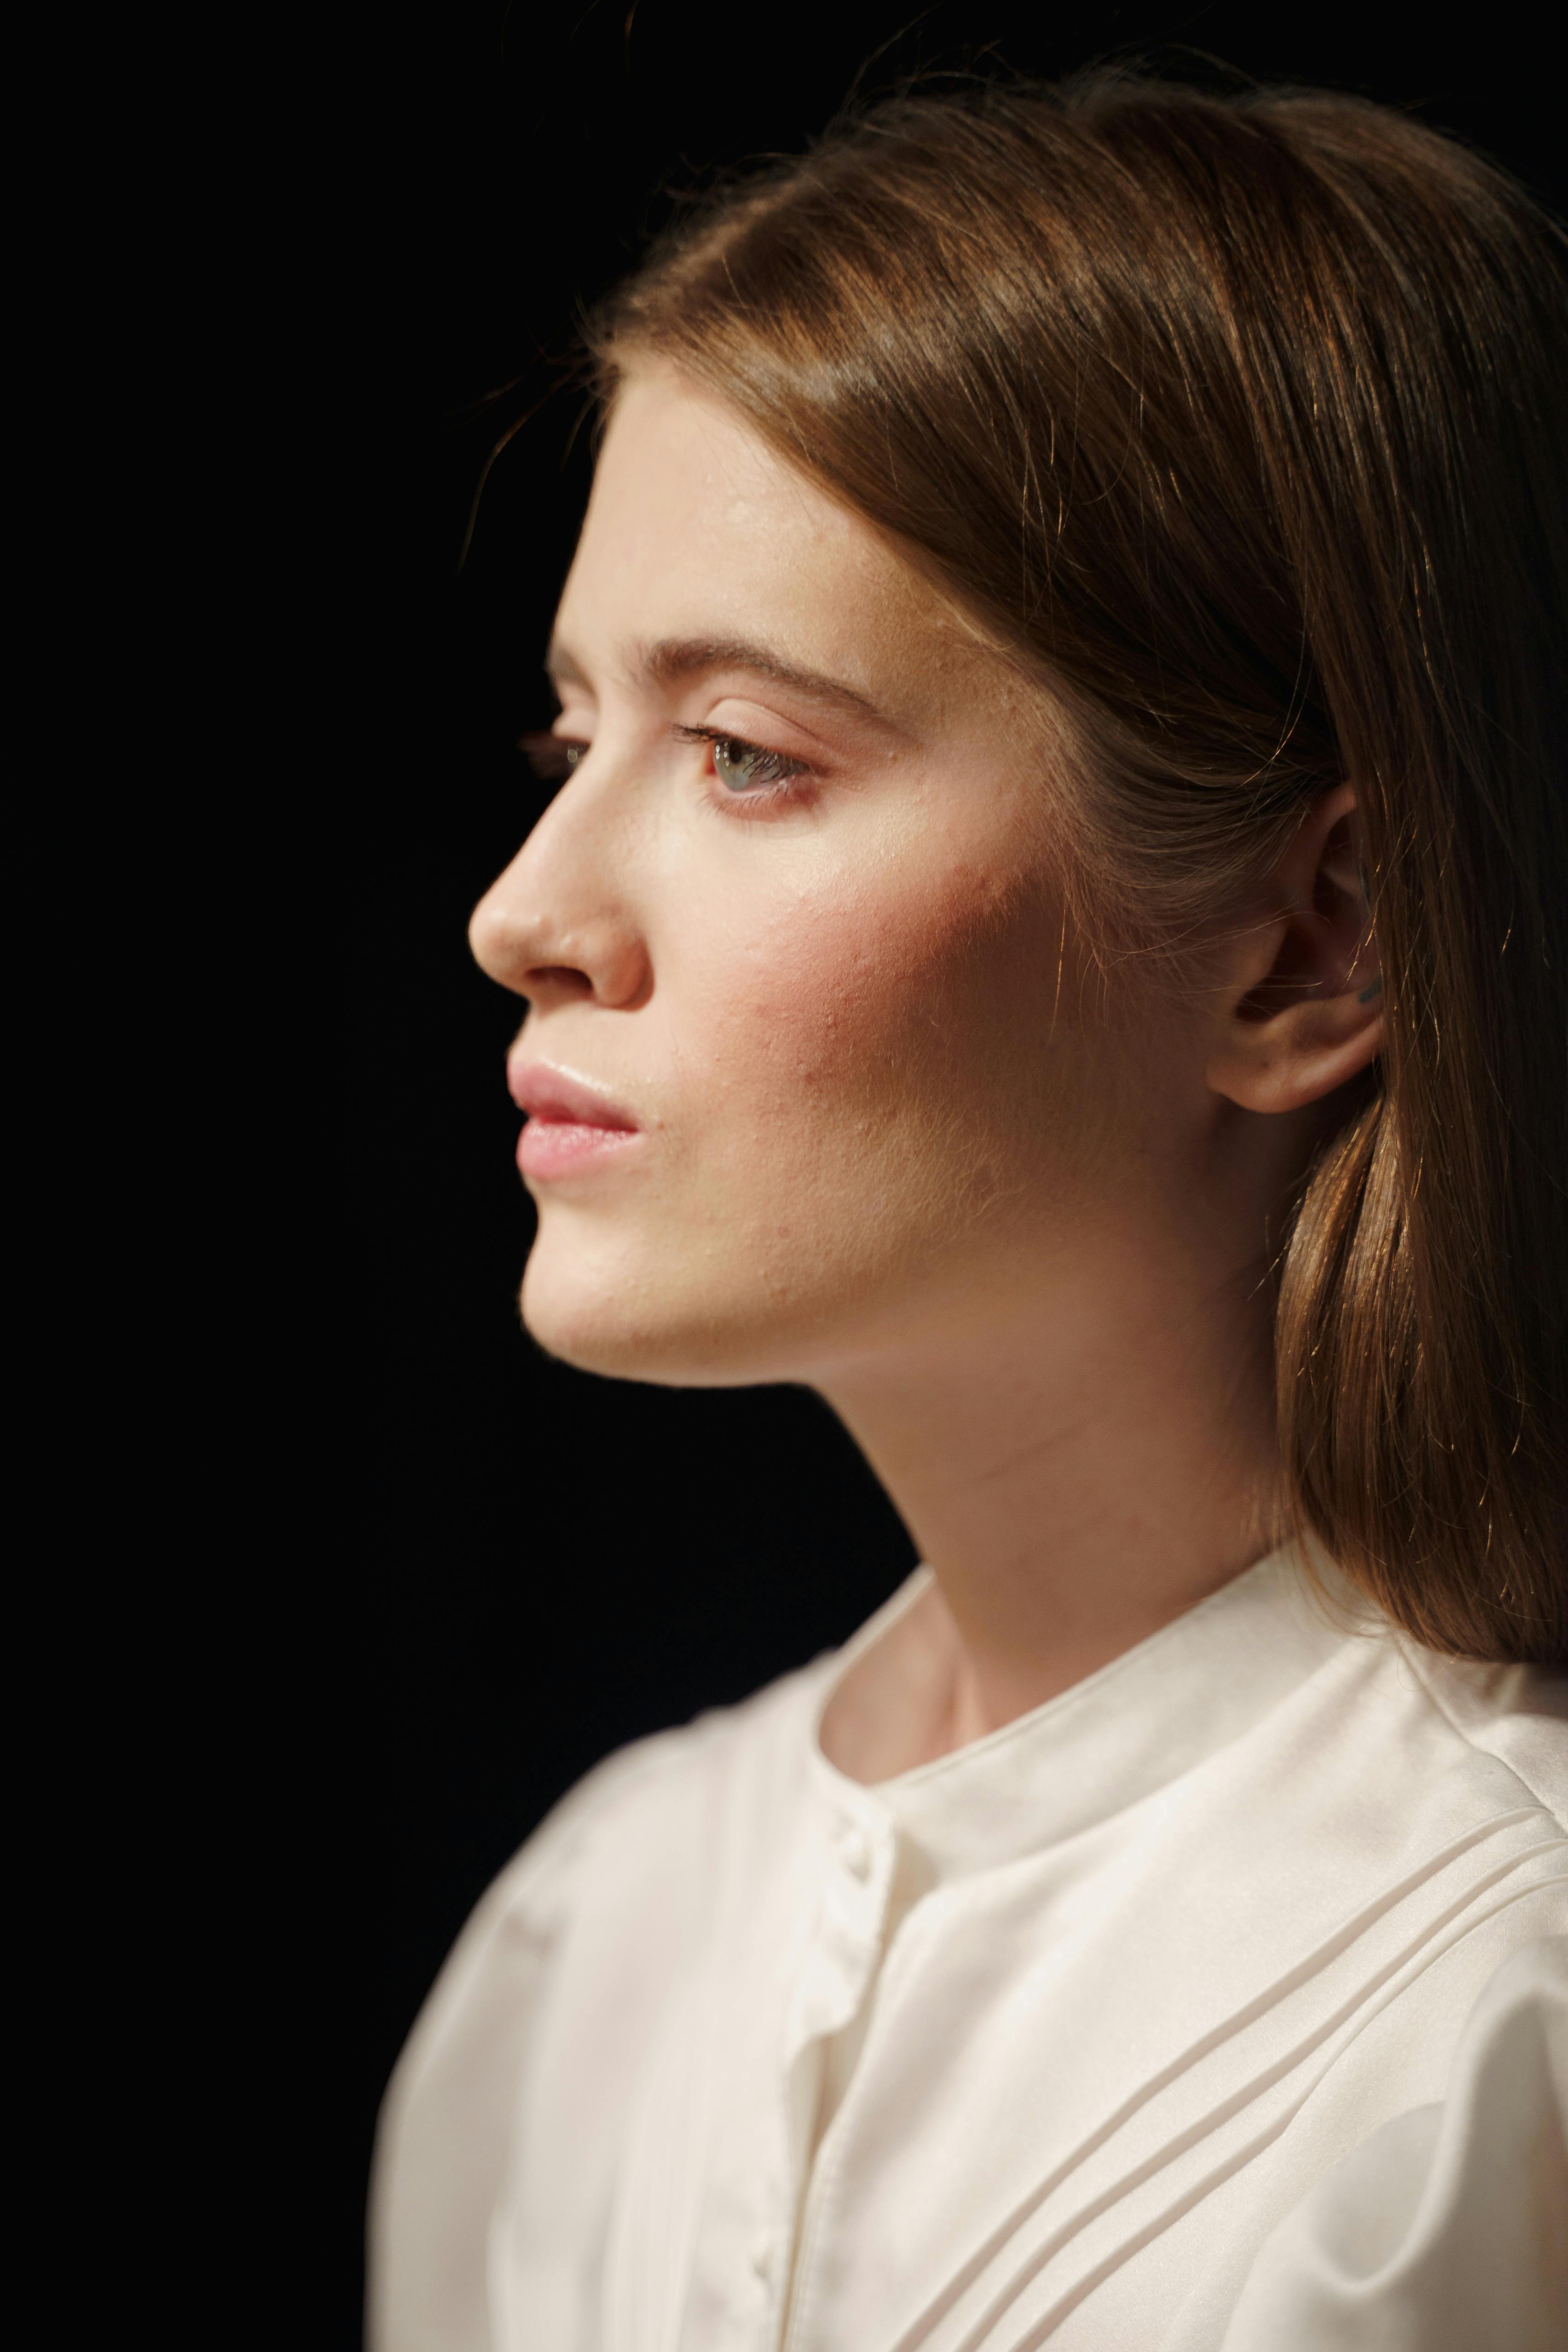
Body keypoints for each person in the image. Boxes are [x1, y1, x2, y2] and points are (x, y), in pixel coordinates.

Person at [370, 72, 1567, 2351]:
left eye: (748, 757)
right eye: (570, 741)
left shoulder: (1504, 2038)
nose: (526, 913)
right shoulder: (588, 1950)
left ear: (1318, 943)